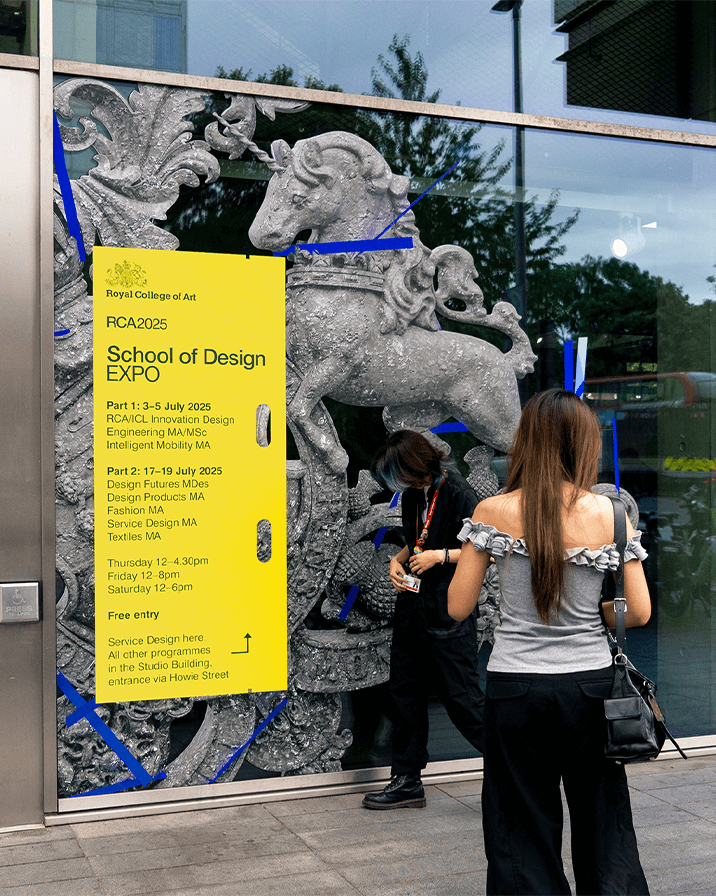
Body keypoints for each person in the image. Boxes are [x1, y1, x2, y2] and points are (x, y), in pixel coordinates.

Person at [448, 389, 651, 895]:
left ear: (526, 442)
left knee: (519, 826)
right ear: (584, 444)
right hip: (591, 686)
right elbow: (640, 611)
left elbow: (457, 606)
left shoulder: (492, 510)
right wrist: (591, 612)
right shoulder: (610, 514)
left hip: (514, 687)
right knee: (604, 821)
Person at [362, 429, 484, 810]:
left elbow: (489, 552)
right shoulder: (415, 493)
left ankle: (517, 768)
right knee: (404, 695)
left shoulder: (460, 493)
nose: (394, 484)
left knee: (462, 699)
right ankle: (406, 780)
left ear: (416, 466)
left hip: (448, 609)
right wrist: (398, 561)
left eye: (396, 475)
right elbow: (417, 538)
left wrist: (439, 557)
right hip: (413, 607)